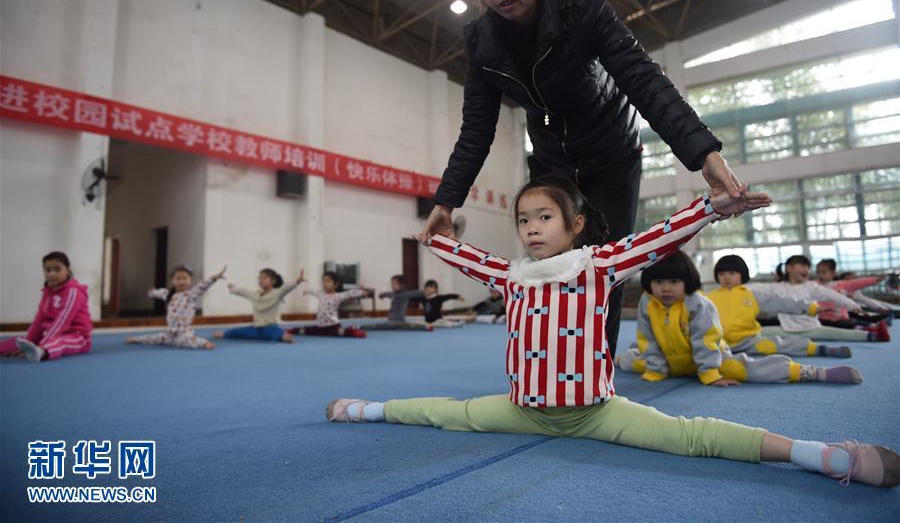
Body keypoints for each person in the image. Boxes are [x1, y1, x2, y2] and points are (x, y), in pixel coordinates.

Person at [328, 177, 898, 488]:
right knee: (446, 412)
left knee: (693, 435)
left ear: (575, 224)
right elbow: (458, 255)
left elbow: (658, 238)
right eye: (523, 220)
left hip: (597, 411)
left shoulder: (597, 266)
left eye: (544, 217)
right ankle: (366, 410)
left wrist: (710, 209)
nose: (531, 228)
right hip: (522, 408)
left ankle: (821, 455)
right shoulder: (511, 275)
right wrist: (437, 234)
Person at [420, 0, 745, 360]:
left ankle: (598, 377)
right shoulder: (481, 42)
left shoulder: (584, 9)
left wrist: (704, 154)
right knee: (551, 266)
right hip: (551, 163)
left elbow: (643, 80)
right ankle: (554, 367)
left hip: (613, 155)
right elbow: (477, 129)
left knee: (600, 268)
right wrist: (446, 202)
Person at [617, 252, 860, 385]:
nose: (666, 289)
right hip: (672, 361)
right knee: (635, 359)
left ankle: (808, 370)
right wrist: (655, 370)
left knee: (754, 364)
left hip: (727, 350)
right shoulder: (652, 302)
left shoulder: (707, 300)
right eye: (659, 282)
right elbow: (647, 337)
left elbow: (706, 339)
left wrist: (710, 374)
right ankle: (620, 358)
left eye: (673, 282)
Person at [707, 254, 852, 357]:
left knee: (780, 344)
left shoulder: (751, 294)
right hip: (722, 345)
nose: (726, 277)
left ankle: (819, 349)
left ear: (742, 274)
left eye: (731, 273)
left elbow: (780, 302)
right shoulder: (710, 297)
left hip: (749, 341)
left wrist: (811, 308)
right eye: (722, 273)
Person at [0, 251, 93, 362]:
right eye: (48, 270)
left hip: (77, 338)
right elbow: (38, 322)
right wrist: (29, 343)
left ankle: (40, 352)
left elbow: (61, 323)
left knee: (59, 342)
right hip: (52, 336)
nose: (52, 274)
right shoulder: (48, 292)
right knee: (19, 341)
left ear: (67, 271)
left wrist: (40, 345)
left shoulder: (74, 292)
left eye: (57, 269)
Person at [126, 265, 226, 350]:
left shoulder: (191, 294)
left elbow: (203, 285)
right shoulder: (168, 293)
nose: (181, 282)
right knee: (156, 338)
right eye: (178, 279)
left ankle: (204, 343)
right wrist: (151, 292)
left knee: (188, 341)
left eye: (185, 278)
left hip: (183, 333)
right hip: (170, 333)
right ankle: (136, 339)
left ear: (190, 281)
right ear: (172, 280)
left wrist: (214, 278)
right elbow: (156, 293)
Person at [212, 268, 304, 343]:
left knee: (275, 332)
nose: (261, 280)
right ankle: (225, 334)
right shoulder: (255, 294)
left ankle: (284, 336)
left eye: (264, 278)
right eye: (259, 278)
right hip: (256, 328)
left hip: (270, 328)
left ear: (273, 281)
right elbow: (243, 291)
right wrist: (232, 288)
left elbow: (286, 288)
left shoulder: (277, 293)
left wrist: (297, 281)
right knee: (237, 332)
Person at [289, 272, 372, 338]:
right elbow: (313, 291)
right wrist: (306, 291)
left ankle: (354, 331)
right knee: (305, 330)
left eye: (328, 281)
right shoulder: (321, 294)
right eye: (324, 281)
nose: (325, 283)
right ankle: (291, 330)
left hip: (333, 326)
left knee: (342, 332)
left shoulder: (338, 296)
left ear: (336, 284)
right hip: (320, 327)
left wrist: (362, 292)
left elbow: (350, 293)